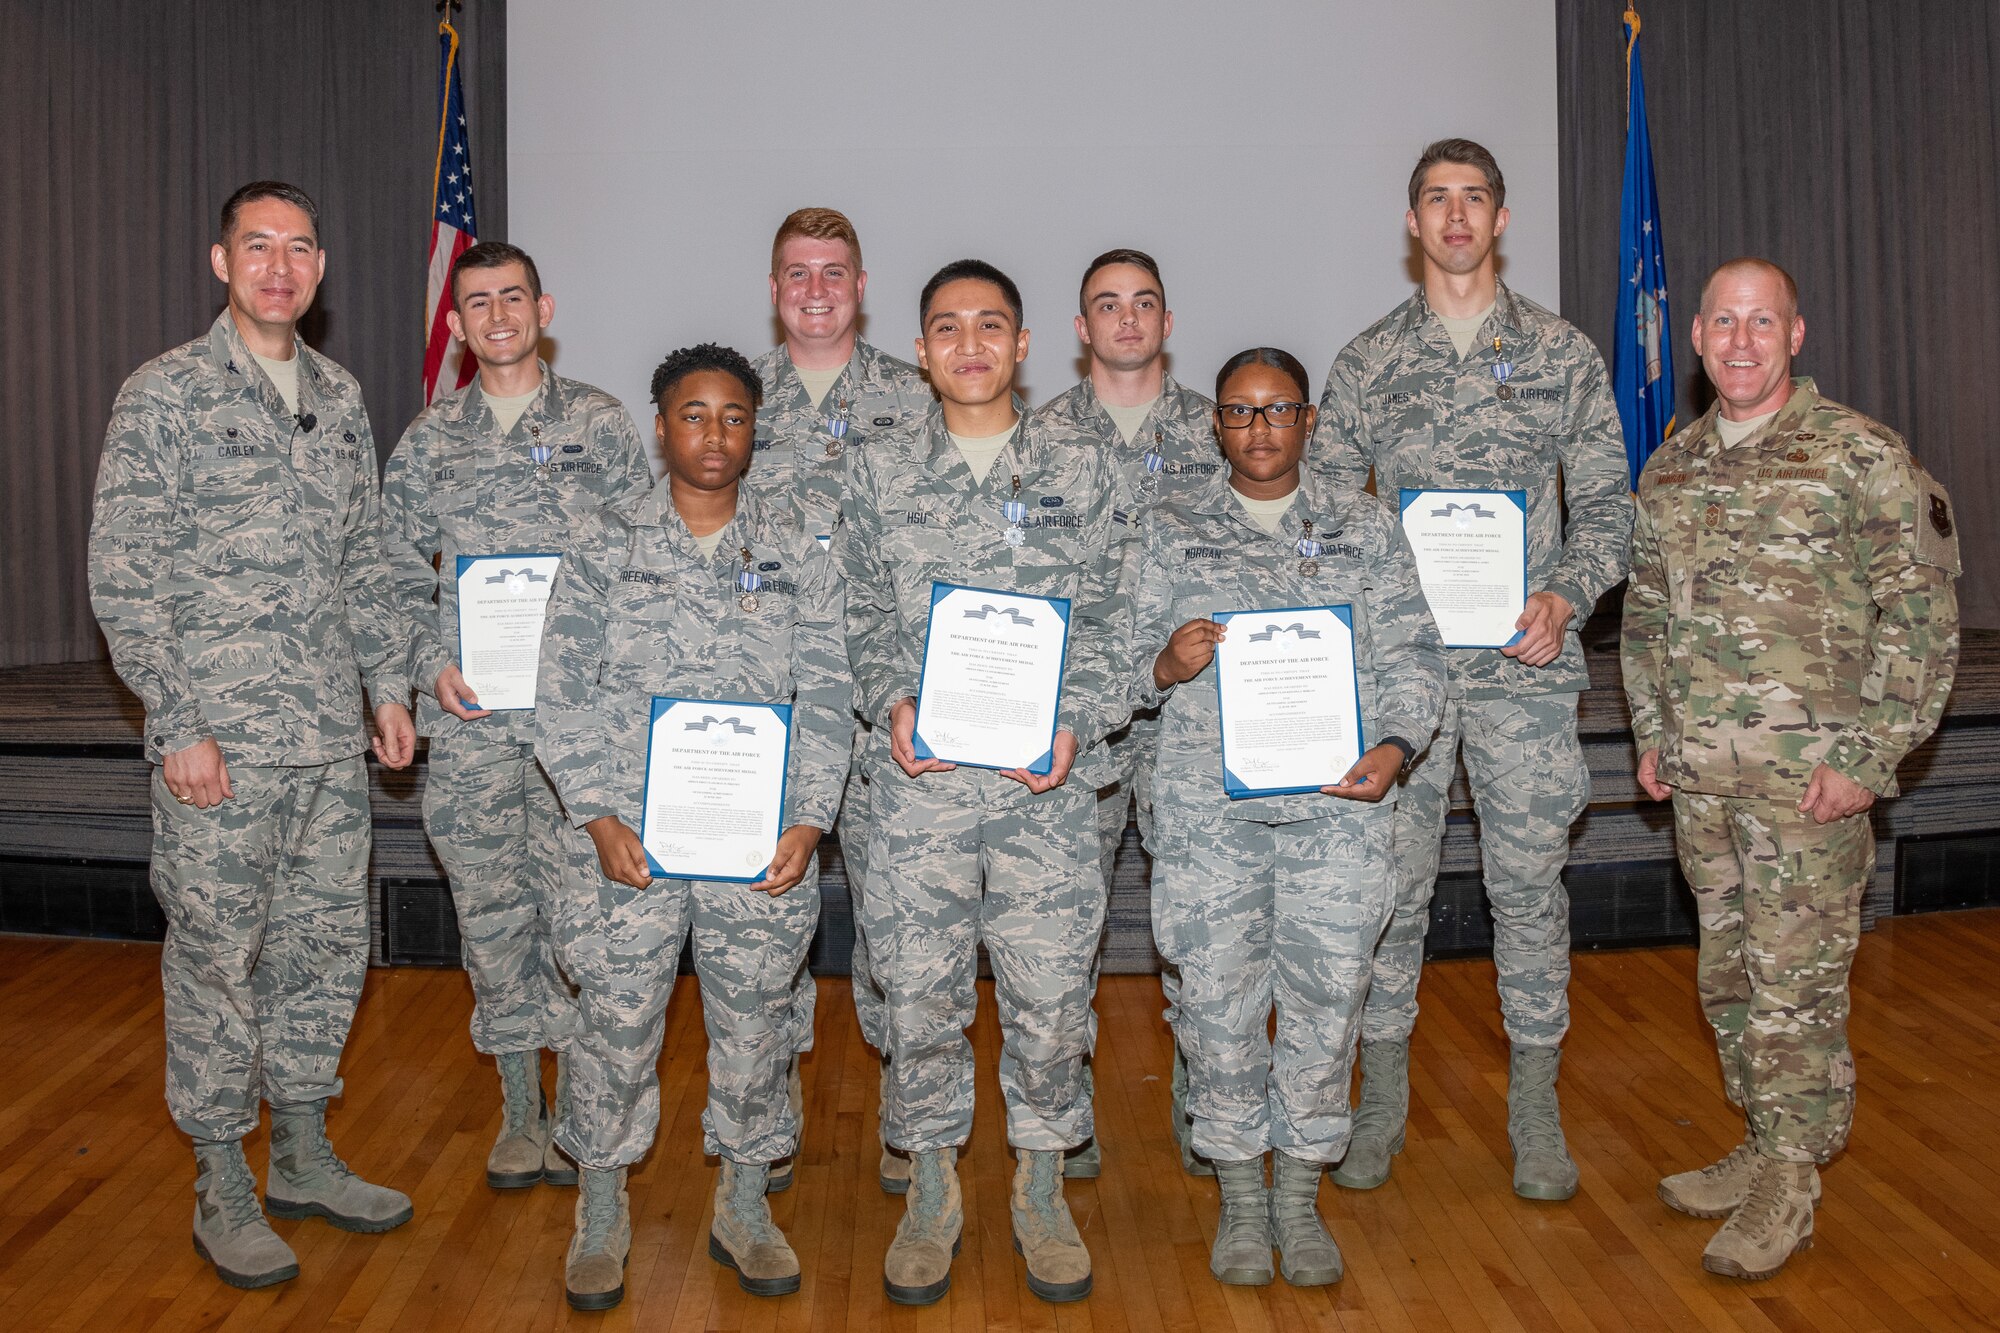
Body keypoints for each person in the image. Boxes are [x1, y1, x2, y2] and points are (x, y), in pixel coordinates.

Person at [87, 180, 417, 1289]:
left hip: (326, 741)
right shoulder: (168, 394)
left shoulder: (341, 394)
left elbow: (367, 561)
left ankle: (304, 1153)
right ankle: (222, 1175)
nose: (281, 265)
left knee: (324, 957)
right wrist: (176, 722)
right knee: (218, 964)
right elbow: (123, 575)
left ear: (320, 271)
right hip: (216, 746)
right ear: (221, 263)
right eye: (258, 246)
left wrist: (387, 687)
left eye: (300, 249)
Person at [1622, 258, 1959, 1280]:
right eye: (1720, 321)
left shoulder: (1858, 457)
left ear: (1794, 334)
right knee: (1729, 979)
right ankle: (1764, 1142)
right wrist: (1651, 728)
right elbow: (1644, 616)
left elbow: (1920, 615)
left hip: (1808, 789)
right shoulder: (1670, 468)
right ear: (1694, 337)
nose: (1738, 340)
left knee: (1794, 992)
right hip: (1703, 786)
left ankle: (1793, 1182)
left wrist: (1865, 760)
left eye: (1758, 321)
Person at [1310, 138, 1633, 1200]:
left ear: (1499, 219)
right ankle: (1382, 1104)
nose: (1454, 217)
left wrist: (1567, 594)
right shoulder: (1364, 362)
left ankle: (1532, 1109)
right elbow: (1319, 518)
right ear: (1411, 224)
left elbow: (1607, 508)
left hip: (1520, 670)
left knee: (1527, 888)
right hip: (1400, 678)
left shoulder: (1559, 354)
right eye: (1434, 200)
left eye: (1473, 200)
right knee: (1388, 893)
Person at [534, 344, 851, 1309]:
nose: (714, 434)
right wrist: (593, 813)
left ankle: (745, 1199)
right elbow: (559, 690)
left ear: (757, 431)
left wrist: (810, 819)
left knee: (755, 1020)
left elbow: (832, 689)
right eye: (693, 414)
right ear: (661, 424)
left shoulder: (802, 540)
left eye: (734, 417)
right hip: (629, 840)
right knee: (615, 1021)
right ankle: (600, 1201)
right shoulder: (602, 538)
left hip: (758, 843)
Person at [840, 260, 1132, 1305]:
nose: (969, 345)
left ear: (1021, 346)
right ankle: (931, 1184)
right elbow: (857, 618)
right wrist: (890, 698)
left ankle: (1040, 1184)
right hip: (916, 790)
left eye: (989, 326)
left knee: (1049, 1000)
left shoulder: (1085, 466)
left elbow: (1117, 617)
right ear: (917, 350)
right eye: (947, 328)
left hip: (1041, 793)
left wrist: (1074, 718)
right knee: (917, 996)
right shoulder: (873, 473)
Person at [1136, 347, 1445, 1286]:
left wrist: (1394, 748)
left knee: (1324, 1007)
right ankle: (1239, 1200)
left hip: (1337, 813)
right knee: (1218, 1010)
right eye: (1238, 411)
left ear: (1309, 420)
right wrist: (1165, 664)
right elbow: (1110, 667)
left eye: (1277, 410)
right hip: (1206, 817)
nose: (1259, 427)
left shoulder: (1367, 526)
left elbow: (1415, 659)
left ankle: (1299, 1200)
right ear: (1215, 425)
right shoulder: (1164, 530)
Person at [382, 240, 651, 1193]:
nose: (496, 315)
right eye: (477, 302)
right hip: (473, 734)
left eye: (513, 297)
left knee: (588, 926)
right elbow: (388, 575)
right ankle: (519, 1110)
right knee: (493, 923)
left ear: (545, 308)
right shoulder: (428, 441)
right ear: (455, 324)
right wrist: (421, 665)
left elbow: (647, 564)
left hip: (583, 739)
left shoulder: (603, 425)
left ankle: (585, 1115)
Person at [747, 207, 933, 1194]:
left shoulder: (921, 399)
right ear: (772, 288)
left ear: (862, 285)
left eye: (833, 273)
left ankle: (909, 1124)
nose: (815, 290)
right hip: (772, 710)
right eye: (795, 273)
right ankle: (764, 1121)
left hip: (890, 708)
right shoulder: (732, 403)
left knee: (901, 928)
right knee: (768, 931)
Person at [1032, 247, 1222, 1177]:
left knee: (1190, 920)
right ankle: (1066, 1118)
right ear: (1081, 329)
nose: (1128, 319)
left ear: (1167, 321)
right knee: (1068, 925)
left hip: (1191, 710)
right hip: (1084, 715)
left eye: (1144, 302)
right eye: (1107, 305)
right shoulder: (1038, 441)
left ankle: (1200, 1098)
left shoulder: (1219, 431)